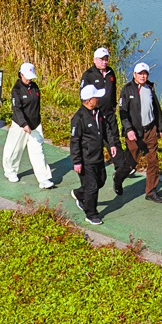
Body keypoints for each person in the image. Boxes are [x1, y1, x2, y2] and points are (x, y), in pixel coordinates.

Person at [118, 62, 162, 201]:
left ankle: (151, 192)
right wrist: (128, 129)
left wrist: (159, 127)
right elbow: (123, 112)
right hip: (134, 132)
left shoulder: (150, 88)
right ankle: (118, 178)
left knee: (153, 161)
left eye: (145, 73)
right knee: (132, 162)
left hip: (150, 130)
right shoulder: (127, 90)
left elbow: (156, 109)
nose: (142, 76)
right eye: (140, 73)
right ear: (134, 74)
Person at [68, 84, 115, 225]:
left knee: (101, 181)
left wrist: (111, 144)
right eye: (96, 97)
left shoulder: (98, 112)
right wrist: (77, 161)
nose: (98, 99)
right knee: (92, 187)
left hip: (98, 156)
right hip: (85, 159)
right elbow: (74, 141)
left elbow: (106, 129)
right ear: (89, 100)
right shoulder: (79, 118)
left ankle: (79, 194)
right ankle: (91, 214)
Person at [3, 62, 52, 187]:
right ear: (21, 74)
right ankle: (10, 171)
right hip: (20, 125)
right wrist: (24, 124)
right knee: (15, 149)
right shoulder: (17, 89)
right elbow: (17, 109)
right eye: (27, 77)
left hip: (35, 124)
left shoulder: (34, 87)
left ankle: (43, 179)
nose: (29, 79)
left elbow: (37, 105)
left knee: (38, 151)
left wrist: (36, 122)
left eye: (31, 77)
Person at [80, 47, 121, 168]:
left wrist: (114, 105)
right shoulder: (88, 75)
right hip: (95, 113)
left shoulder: (111, 73)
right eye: (102, 59)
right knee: (99, 139)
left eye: (106, 59)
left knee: (114, 137)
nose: (105, 62)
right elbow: (83, 95)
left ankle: (120, 165)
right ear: (94, 60)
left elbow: (113, 90)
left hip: (109, 112)